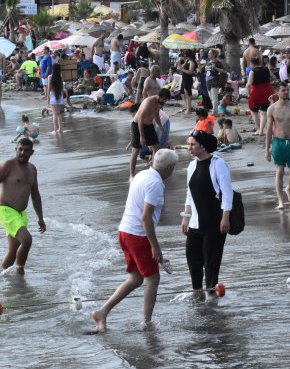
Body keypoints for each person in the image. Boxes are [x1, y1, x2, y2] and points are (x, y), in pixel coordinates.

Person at [91, 148, 177, 333]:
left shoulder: (142, 174)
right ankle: (147, 323)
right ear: (169, 168)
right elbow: (146, 218)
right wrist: (156, 248)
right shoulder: (155, 184)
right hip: (137, 235)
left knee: (136, 278)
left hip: (124, 232)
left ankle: (102, 312)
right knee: (153, 279)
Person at [181, 131, 232, 299]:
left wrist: (225, 217)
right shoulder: (192, 166)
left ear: (202, 146)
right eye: (188, 144)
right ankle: (197, 294)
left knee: (211, 261)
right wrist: (185, 217)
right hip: (195, 223)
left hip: (214, 222)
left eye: (192, 144)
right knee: (193, 259)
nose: (189, 148)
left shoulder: (218, 164)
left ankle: (211, 295)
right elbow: (189, 193)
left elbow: (226, 193)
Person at [0, 138, 45, 275]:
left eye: (26, 150)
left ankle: (1, 274)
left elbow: (35, 195)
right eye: (20, 149)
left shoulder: (32, 169)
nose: (22, 153)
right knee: (27, 240)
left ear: (32, 152)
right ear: (16, 149)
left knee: (14, 249)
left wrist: (40, 218)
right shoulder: (8, 165)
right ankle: (19, 272)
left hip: (20, 214)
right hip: (5, 209)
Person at [266, 83, 290, 208]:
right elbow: (268, 130)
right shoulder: (272, 109)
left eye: (287, 90)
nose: (286, 92)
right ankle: (280, 200)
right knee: (280, 171)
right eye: (283, 90)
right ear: (277, 92)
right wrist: (267, 149)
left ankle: (288, 188)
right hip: (278, 142)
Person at [130, 89, 170, 180]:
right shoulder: (149, 101)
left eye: (166, 100)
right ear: (159, 96)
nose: (164, 101)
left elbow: (156, 115)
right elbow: (140, 119)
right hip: (137, 125)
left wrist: (160, 125)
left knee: (156, 148)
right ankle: (131, 175)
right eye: (163, 99)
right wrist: (142, 136)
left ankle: (154, 171)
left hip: (149, 126)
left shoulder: (159, 103)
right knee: (136, 151)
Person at [247, 55, 273, 135]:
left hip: (256, 92)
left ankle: (258, 129)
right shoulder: (266, 69)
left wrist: (248, 93)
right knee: (264, 111)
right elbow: (272, 77)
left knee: (254, 111)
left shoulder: (252, 71)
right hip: (267, 91)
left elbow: (249, 84)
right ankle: (261, 130)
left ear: (252, 63)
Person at [46, 63, 65, 135]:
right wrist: (62, 97)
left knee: (54, 114)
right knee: (59, 114)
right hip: (59, 96)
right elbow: (62, 88)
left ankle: (55, 130)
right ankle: (61, 129)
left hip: (53, 96)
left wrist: (48, 98)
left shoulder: (50, 77)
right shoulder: (60, 77)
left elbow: (48, 88)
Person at [178, 50, 197, 114]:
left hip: (188, 79)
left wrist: (182, 69)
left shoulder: (192, 62)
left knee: (187, 94)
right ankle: (187, 107)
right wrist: (180, 62)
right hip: (184, 78)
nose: (185, 56)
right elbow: (181, 67)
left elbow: (190, 72)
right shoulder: (187, 61)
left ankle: (188, 110)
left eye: (186, 54)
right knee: (182, 93)